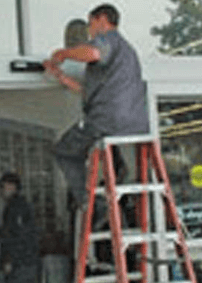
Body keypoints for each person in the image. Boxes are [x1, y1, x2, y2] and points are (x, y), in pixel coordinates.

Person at [43, 3, 149, 207]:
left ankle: (91, 205)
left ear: (102, 19)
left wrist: (63, 53)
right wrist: (60, 76)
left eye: (90, 24)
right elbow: (88, 91)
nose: (89, 31)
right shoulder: (127, 52)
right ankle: (118, 170)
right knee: (101, 141)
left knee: (65, 151)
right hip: (133, 123)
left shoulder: (108, 39)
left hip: (107, 120)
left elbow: (93, 53)